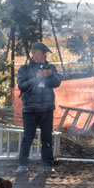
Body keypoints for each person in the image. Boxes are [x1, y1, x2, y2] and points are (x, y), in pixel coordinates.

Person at [17, 42, 62, 174]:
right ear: (35, 53)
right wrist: (35, 79)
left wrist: (50, 75)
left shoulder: (50, 67)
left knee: (47, 138)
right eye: (43, 52)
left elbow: (57, 82)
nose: (45, 55)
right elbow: (22, 85)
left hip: (47, 108)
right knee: (28, 137)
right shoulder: (24, 69)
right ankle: (22, 165)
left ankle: (47, 166)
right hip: (30, 109)